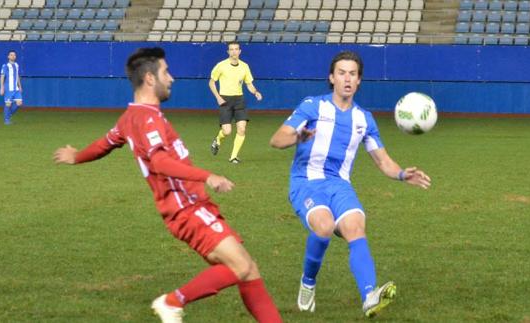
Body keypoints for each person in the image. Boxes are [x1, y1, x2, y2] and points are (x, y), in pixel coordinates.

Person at [54, 47, 282, 323]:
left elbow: (104, 145)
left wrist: (76, 156)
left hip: (190, 206)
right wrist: (208, 176)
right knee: (242, 266)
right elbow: (159, 162)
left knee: (248, 269)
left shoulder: (131, 117)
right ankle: (172, 302)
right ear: (150, 78)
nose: (171, 78)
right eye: (166, 72)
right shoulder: (146, 118)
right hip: (185, 207)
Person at [269, 51, 431, 318]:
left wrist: (402, 174)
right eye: (341, 73)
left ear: (358, 82)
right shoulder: (312, 106)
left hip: (339, 185)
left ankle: (369, 295)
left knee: (355, 227)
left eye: (352, 74)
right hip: (306, 182)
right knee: (323, 226)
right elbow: (277, 139)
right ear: (331, 78)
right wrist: (297, 137)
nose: (347, 78)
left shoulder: (364, 119)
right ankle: (308, 283)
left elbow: (382, 161)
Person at [208, 41, 262, 164]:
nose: (234, 51)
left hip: (239, 100)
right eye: (231, 49)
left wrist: (255, 92)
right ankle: (218, 139)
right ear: (228, 52)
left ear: (240, 51)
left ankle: (233, 157)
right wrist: (218, 97)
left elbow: (249, 83)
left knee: (242, 129)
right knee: (227, 131)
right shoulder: (221, 65)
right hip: (225, 100)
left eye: (236, 49)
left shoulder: (244, 66)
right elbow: (211, 82)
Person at [0, 50, 23, 125]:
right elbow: (2, 77)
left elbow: (17, 76)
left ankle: (8, 115)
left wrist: (20, 86)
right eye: (11, 55)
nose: (13, 56)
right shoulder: (5, 66)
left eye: (14, 55)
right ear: (8, 56)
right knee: (8, 104)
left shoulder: (17, 65)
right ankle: (7, 120)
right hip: (8, 88)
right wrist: (2, 87)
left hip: (16, 89)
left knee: (19, 103)